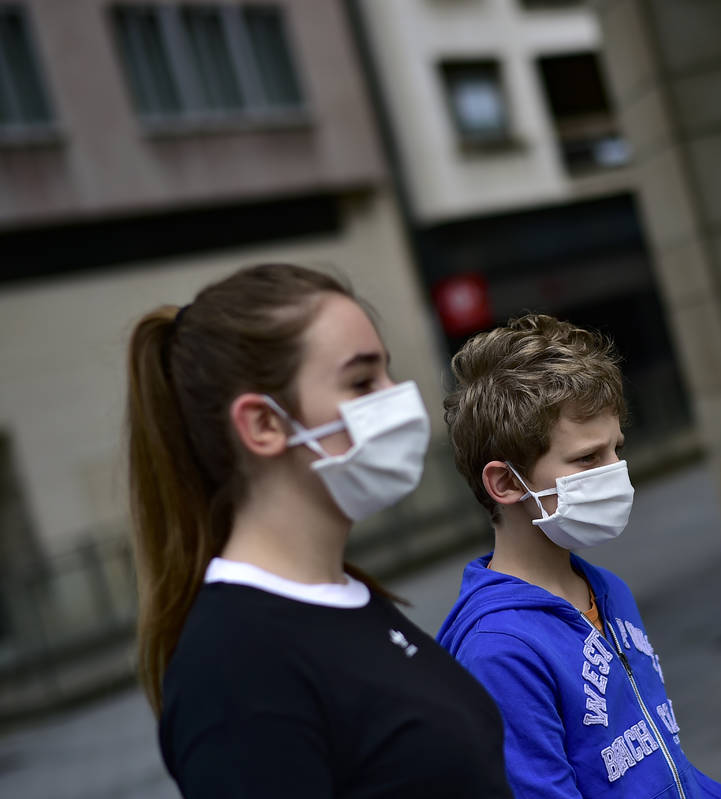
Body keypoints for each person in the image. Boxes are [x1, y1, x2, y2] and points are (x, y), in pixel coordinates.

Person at [126, 263, 513, 798]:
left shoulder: (348, 599)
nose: (398, 398)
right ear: (263, 425)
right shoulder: (235, 668)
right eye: (361, 381)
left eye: (387, 374)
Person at [435, 314, 721, 799]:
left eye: (617, 449)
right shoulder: (498, 651)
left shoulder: (607, 589)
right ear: (506, 483)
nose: (616, 472)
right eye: (587, 459)